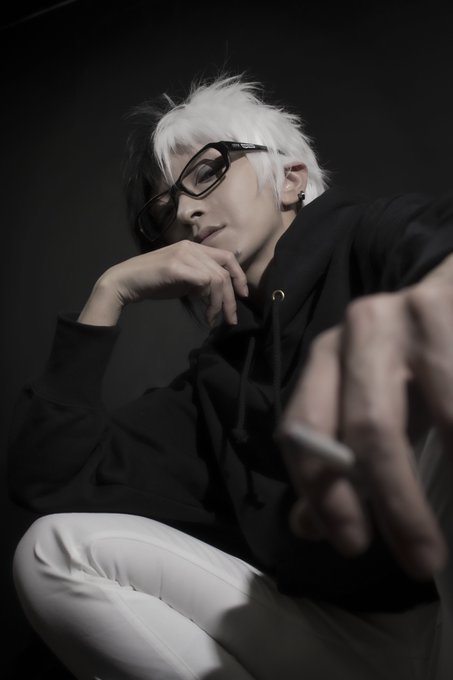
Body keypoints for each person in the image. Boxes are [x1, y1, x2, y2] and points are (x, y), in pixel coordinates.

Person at [7, 72, 453, 680]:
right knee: (52, 550)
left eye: (206, 172)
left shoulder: (370, 237)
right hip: (343, 643)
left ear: (290, 179)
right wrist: (109, 291)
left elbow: (437, 249)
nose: (186, 210)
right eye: (165, 209)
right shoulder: (217, 382)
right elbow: (48, 477)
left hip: (440, 602)